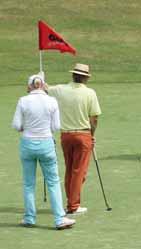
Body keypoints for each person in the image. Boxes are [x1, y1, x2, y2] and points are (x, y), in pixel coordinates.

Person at [12, 74, 76, 229]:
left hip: (27, 144)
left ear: (31, 86)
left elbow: (16, 125)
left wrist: (25, 127)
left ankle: (29, 217)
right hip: (46, 143)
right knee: (53, 182)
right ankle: (59, 219)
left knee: (29, 183)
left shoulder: (23, 101)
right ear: (42, 85)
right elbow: (56, 127)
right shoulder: (52, 101)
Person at [46, 63, 101, 214]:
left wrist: (39, 77)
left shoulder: (60, 90)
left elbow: (44, 88)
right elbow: (94, 118)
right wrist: (92, 135)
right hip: (83, 135)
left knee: (70, 170)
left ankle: (71, 202)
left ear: (73, 75)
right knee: (79, 171)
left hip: (66, 136)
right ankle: (73, 206)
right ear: (85, 78)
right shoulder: (90, 93)